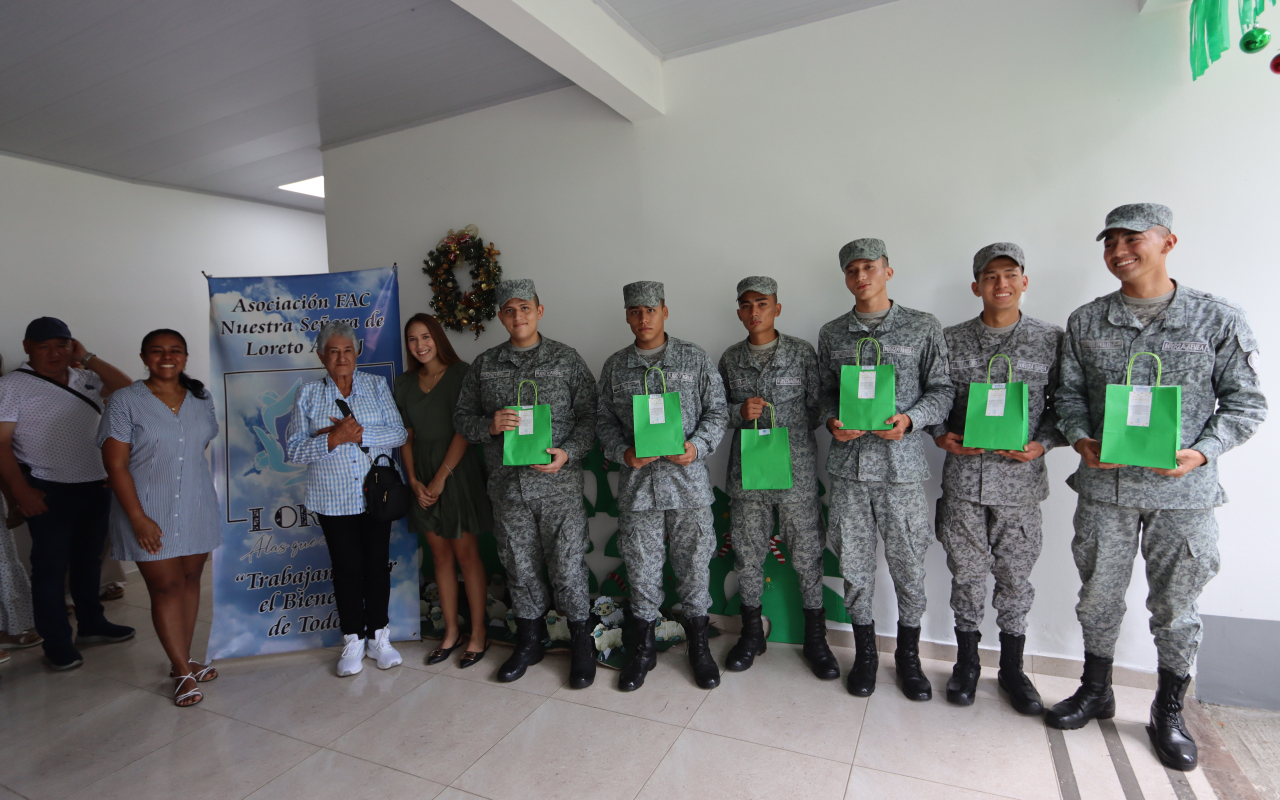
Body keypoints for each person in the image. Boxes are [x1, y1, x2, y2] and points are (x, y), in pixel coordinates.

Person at [1045, 205, 1267, 771]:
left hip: (1183, 496)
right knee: (1097, 596)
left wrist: (1202, 452)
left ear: (1168, 241)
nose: (1120, 250)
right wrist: (1079, 436)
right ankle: (1096, 690)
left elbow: (1246, 405)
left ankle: (1168, 711)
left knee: (1176, 605)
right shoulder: (1087, 321)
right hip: (1106, 489)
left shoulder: (1217, 318)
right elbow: (1067, 396)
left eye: (1132, 238)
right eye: (1110, 240)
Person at [927, 244, 1065, 713]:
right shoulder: (950, 340)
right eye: (990, 277)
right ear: (976, 286)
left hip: (1019, 486)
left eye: (1010, 275)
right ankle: (967, 664)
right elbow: (933, 396)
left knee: (1015, 578)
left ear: (1024, 282)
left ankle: (1012, 669)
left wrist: (1042, 443)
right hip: (965, 480)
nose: (1000, 284)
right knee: (965, 575)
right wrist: (941, 433)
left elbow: (1066, 406)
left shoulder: (1051, 340)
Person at [818, 239, 954, 701]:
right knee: (855, 566)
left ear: (888, 272)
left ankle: (910, 659)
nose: (862, 277)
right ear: (845, 277)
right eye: (852, 270)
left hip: (901, 469)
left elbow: (943, 389)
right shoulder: (833, 333)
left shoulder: (921, 327)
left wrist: (912, 419)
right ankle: (866, 656)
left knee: (909, 566)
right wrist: (831, 421)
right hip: (850, 471)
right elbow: (821, 395)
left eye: (870, 267)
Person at [453, 280, 599, 687]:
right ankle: (529, 641)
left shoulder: (565, 359)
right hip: (508, 488)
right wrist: (488, 425)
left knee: (568, 568)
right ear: (500, 316)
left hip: (559, 488)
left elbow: (592, 418)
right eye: (509, 310)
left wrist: (568, 452)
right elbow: (462, 419)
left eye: (525, 308)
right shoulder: (485, 365)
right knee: (518, 567)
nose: (518, 316)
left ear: (539, 310)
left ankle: (581, 646)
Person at [596, 281, 728, 691]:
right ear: (627, 315)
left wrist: (698, 446)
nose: (643, 318)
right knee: (642, 571)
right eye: (634, 311)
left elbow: (717, 412)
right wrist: (623, 453)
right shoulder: (615, 366)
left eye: (650, 310)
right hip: (639, 489)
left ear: (665, 311)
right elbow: (603, 422)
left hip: (687, 486)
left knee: (693, 568)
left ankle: (699, 648)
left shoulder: (693, 357)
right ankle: (643, 649)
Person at [717, 276, 838, 680]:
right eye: (747, 305)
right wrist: (739, 414)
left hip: (796, 475)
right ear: (739, 312)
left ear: (777, 308)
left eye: (763, 304)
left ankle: (816, 640)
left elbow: (820, 405)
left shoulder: (802, 353)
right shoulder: (730, 359)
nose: (755, 312)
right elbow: (717, 412)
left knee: (807, 555)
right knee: (748, 556)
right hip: (748, 475)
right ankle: (751, 635)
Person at [0, 317, 135, 671]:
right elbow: (0, 445)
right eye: (44, 346)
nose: (53, 353)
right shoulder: (12, 386)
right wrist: (21, 492)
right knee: (49, 568)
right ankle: (57, 643)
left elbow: (129, 390)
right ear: (28, 347)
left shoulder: (85, 377)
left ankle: (92, 625)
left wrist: (87, 357)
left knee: (89, 561)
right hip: (47, 489)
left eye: (61, 344)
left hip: (95, 484)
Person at [99, 329, 223, 707]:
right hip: (147, 510)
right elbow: (115, 464)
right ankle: (183, 672)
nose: (166, 357)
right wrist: (138, 518)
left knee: (189, 581)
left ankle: (181, 660)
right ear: (143, 357)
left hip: (196, 504)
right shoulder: (124, 402)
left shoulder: (201, 398)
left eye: (175, 351)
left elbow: (197, 447)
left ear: (185, 357)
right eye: (157, 351)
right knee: (165, 587)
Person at [286, 320, 408, 678]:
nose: (341, 357)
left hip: (375, 495)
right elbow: (293, 449)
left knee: (376, 566)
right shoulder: (308, 394)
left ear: (358, 353)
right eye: (333, 351)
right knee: (347, 569)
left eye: (347, 350)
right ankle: (353, 638)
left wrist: (355, 432)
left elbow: (398, 433)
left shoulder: (375, 385)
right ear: (322, 356)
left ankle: (379, 638)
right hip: (332, 497)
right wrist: (332, 439)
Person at [395, 313, 494, 669]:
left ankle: (479, 632)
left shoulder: (461, 373)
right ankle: (451, 632)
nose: (420, 345)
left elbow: (464, 430)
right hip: (420, 474)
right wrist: (414, 479)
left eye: (425, 337)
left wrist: (440, 478)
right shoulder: (404, 383)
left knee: (467, 556)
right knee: (440, 557)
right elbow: (405, 435)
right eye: (412, 339)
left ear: (437, 337)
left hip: (456, 472)